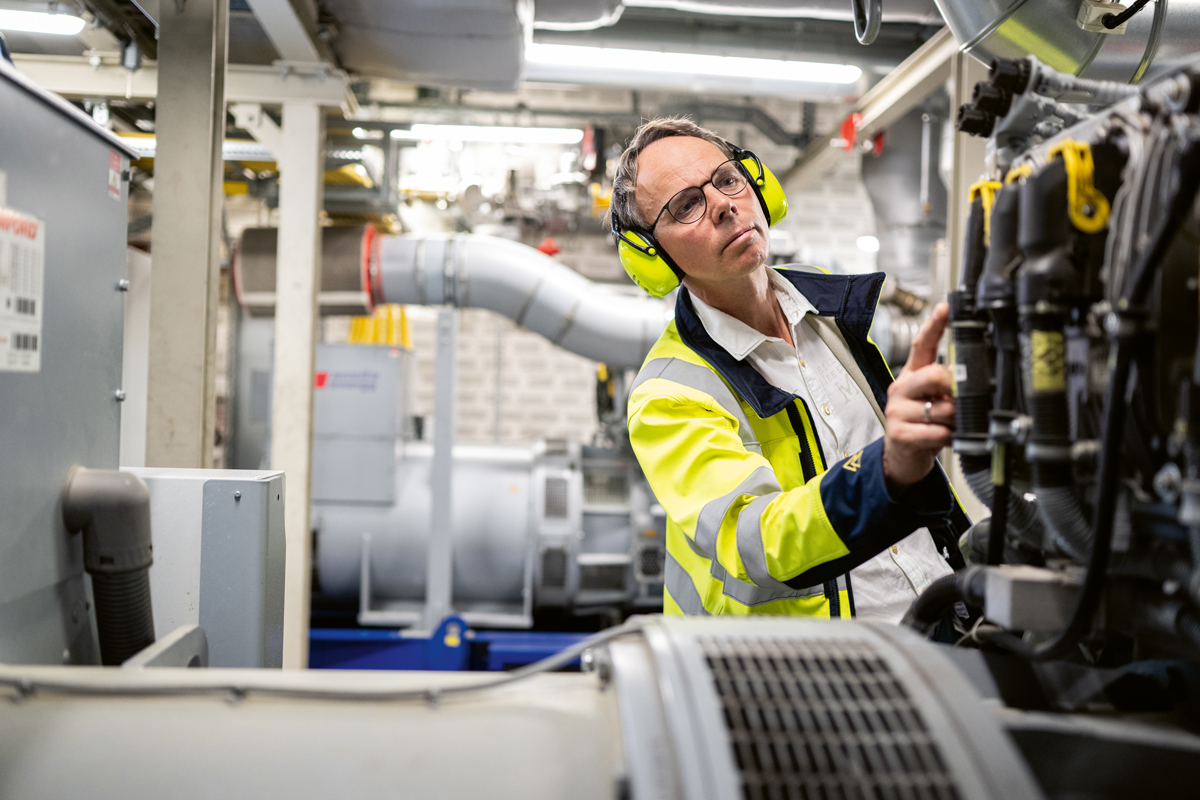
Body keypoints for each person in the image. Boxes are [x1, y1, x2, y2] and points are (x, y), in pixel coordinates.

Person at [610, 118, 970, 622]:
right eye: (687, 205)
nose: (723, 204)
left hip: (940, 620)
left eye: (727, 178)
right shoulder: (666, 395)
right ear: (650, 255)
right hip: (818, 661)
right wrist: (887, 470)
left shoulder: (830, 311)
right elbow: (756, 539)